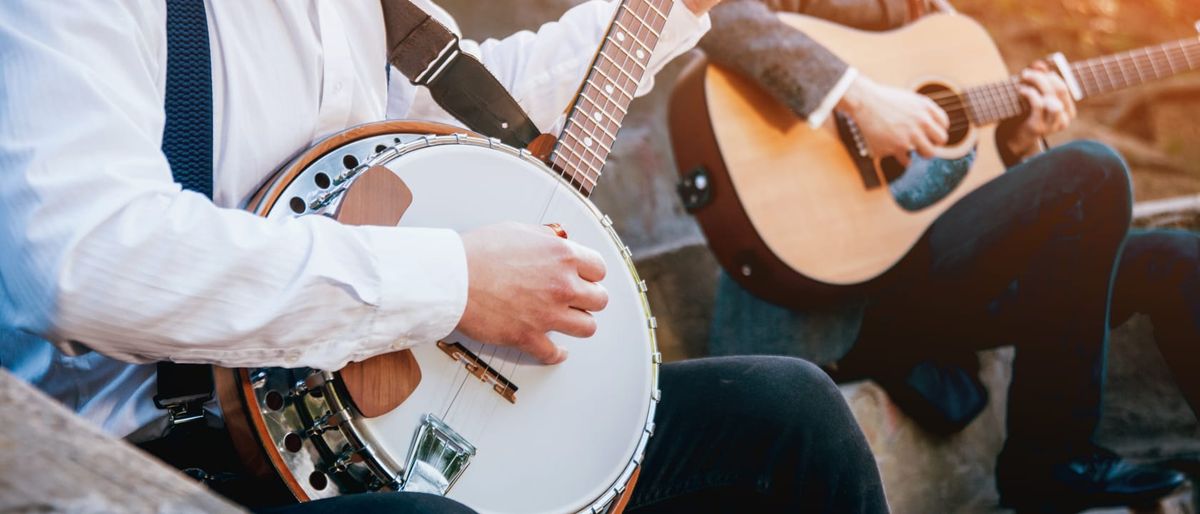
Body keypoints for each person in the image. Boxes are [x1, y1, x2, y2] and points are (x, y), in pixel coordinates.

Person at [0, 0, 889, 513]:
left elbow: (479, 109)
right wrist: (457, 282)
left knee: (787, 414)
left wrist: (669, 14)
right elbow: (80, 257)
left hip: (371, 411)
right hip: (164, 462)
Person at [697, 0, 1188, 512]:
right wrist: (858, 98)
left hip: (944, 279)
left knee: (1177, 257)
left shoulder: (940, 21)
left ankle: (1053, 459)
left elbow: (962, 179)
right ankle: (1049, 460)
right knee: (1093, 170)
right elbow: (716, 13)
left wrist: (1017, 140)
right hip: (845, 280)